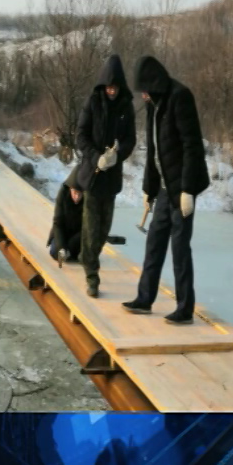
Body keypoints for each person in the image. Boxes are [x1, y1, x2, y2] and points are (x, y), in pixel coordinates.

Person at [122, 55, 210, 324]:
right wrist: (148, 188)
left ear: (155, 83)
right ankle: (145, 299)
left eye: (145, 89)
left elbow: (192, 146)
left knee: (180, 248)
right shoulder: (153, 104)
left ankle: (185, 309)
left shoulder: (180, 97)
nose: (143, 95)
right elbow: (154, 152)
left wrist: (187, 190)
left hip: (181, 188)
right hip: (163, 187)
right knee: (154, 243)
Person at [76, 54, 137, 297]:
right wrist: (95, 157)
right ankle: (92, 275)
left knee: (103, 230)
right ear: (103, 85)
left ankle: (86, 256)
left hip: (111, 178)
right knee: (91, 228)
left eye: (115, 87)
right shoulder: (92, 103)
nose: (112, 90)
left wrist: (117, 155)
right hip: (92, 176)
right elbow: (80, 135)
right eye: (108, 86)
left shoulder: (126, 107)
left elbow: (131, 139)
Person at [47, 165, 84, 264]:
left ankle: (72, 253)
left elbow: (88, 227)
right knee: (55, 252)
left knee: (83, 253)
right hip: (63, 231)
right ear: (70, 188)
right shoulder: (63, 194)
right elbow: (58, 223)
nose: (77, 197)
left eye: (80, 194)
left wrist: (71, 246)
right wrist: (62, 248)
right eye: (75, 193)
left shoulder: (88, 199)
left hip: (79, 235)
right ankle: (70, 253)